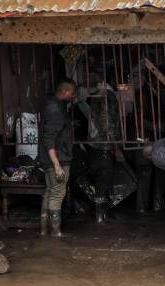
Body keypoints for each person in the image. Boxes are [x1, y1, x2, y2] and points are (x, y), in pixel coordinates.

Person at [76, 82, 121, 223]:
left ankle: (100, 215)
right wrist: (117, 148)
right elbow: (108, 129)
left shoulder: (95, 103)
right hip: (104, 148)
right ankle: (100, 218)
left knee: (99, 180)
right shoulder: (107, 103)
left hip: (93, 147)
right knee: (103, 181)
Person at [38, 79, 77, 237]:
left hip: (51, 158)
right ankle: (55, 232)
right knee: (57, 193)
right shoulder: (55, 110)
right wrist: (57, 165)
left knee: (50, 191)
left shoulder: (53, 105)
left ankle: (44, 231)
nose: (74, 96)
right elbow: (49, 138)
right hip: (57, 159)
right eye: (73, 93)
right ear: (66, 92)